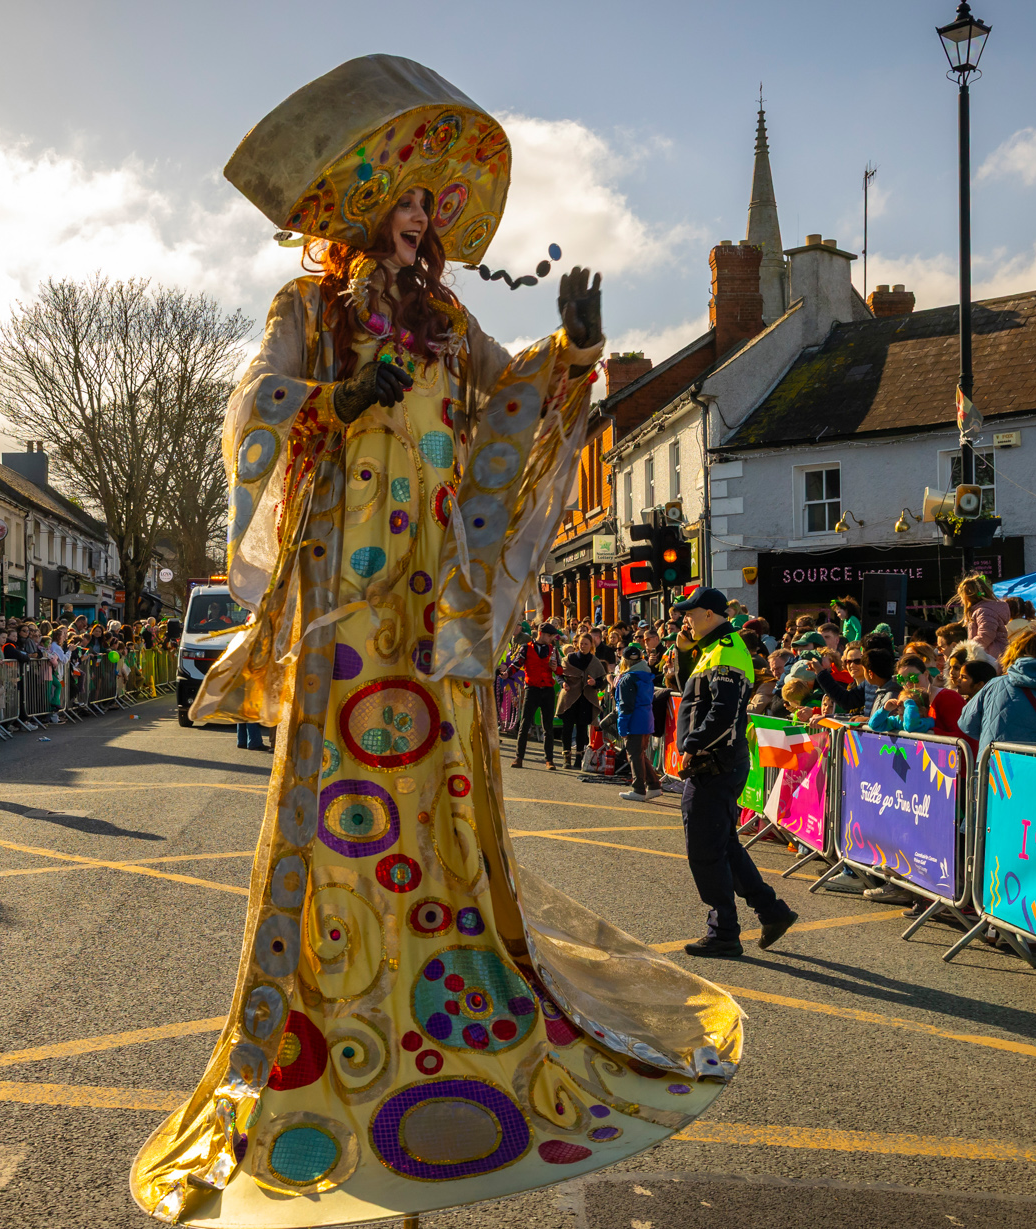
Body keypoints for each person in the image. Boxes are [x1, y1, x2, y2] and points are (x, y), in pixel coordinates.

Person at [136, 56, 744, 1221]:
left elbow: (512, 412)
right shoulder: (308, 308)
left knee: (439, 800)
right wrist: (332, 400)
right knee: (338, 803)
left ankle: (438, 1006)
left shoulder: (453, 323)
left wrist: (571, 359)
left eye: (432, 207)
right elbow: (251, 405)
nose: (423, 222)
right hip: (345, 606)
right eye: (405, 205)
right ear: (366, 215)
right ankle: (330, 1019)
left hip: (434, 602)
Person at [668, 587, 797, 958]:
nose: (685, 620)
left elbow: (723, 713)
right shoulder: (712, 648)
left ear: (710, 614)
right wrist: (682, 652)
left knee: (704, 849)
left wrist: (693, 746)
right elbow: (690, 693)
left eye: (690, 614)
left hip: (715, 762)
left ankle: (724, 931)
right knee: (722, 844)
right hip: (718, 761)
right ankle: (772, 911)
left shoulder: (726, 650)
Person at [958, 632, 1036, 749]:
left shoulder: (993, 685)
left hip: (995, 764)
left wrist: (990, 735)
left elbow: (966, 723)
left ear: (1012, 654)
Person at [512, 622, 561, 769]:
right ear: (542, 634)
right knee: (525, 724)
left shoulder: (553, 650)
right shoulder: (526, 647)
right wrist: (507, 673)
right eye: (550, 636)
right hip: (532, 689)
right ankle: (519, 757)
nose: (552, 639)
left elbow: (560, 671)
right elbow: (517, 664)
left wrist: (556, 668)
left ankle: (549, 760)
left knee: (548, 726)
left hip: (547, 689)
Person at [614, 642, 660, 801]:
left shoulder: (628, 678)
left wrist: (622, 727)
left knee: (634, 755)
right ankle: (653, 785)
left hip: (635, 720)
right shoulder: (646, 675)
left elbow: (626, 706)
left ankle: (638, 789)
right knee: (640, 754)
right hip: (646, 718)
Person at [555, 630, 605, 770]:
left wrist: (594, 683)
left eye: (586, 644)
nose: (583, 646)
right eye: (581, 643)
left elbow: (601, 682)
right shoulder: (570, 659)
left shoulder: (595, 662)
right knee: (567, 727)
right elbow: (559, 675)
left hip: (586, 698)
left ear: (591, 645)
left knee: (582, 728)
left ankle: (579, 758)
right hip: (570, 697)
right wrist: (563, 684)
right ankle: (566, 757)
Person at [956, 574, 1010, 661]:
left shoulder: (984, 611)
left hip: (990, 657)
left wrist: (968, 648)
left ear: (967, 597)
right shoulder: (983, 610)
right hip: (993, 655)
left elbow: (986, 635)